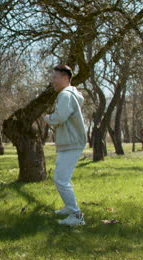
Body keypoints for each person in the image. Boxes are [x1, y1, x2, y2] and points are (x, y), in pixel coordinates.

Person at [44, 65, 87, 226]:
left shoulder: (65, 95)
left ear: (65, 78)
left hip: (72, 143)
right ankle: (70, 209)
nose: (52, 81)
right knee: (63, 179)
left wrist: (48, 118)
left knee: (61, 180)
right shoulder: (70, 94)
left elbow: (60, 117)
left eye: (55, 77)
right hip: (70, 142)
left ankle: (76, 216)